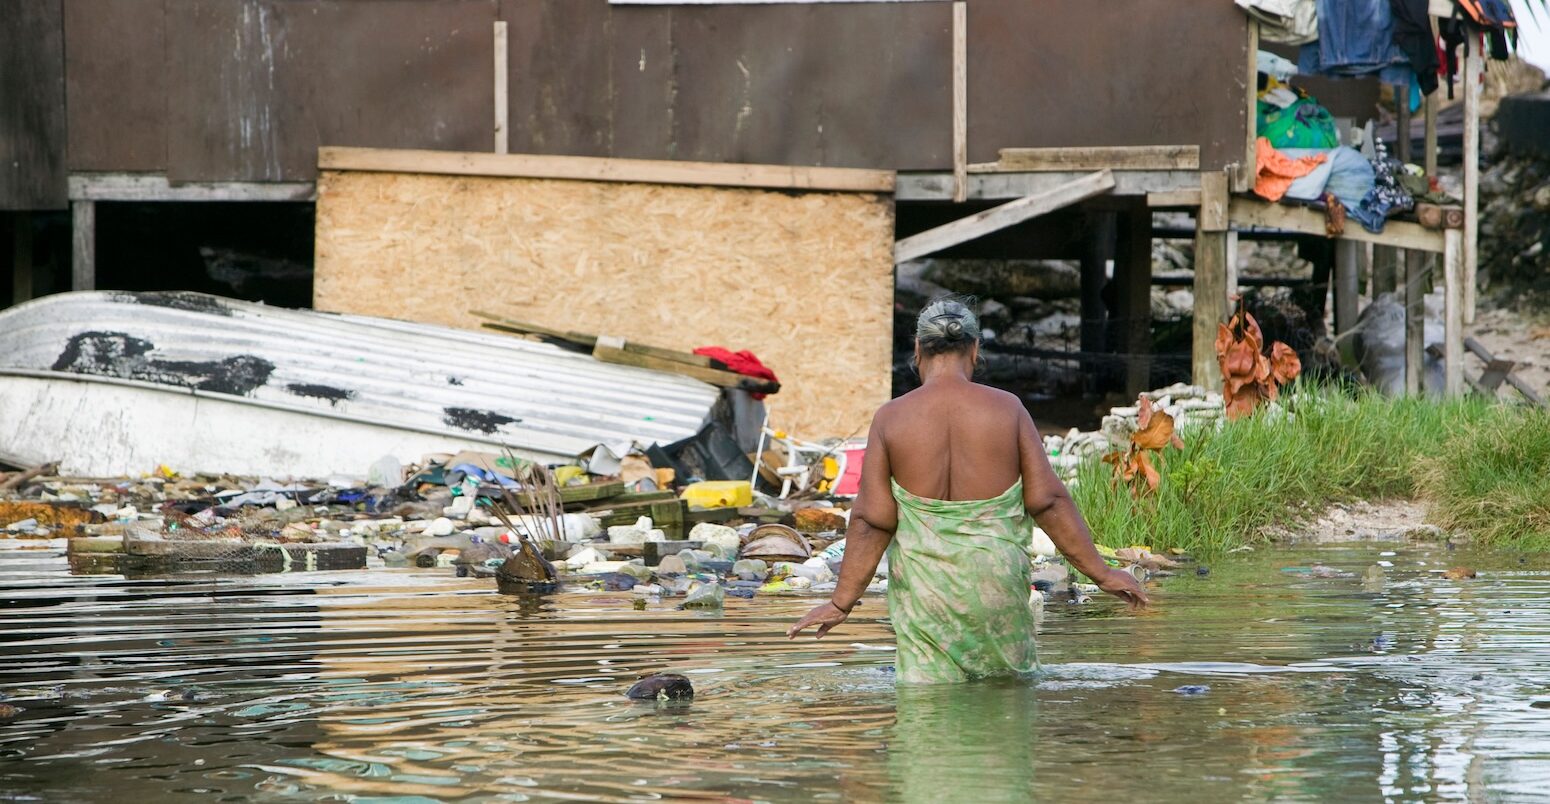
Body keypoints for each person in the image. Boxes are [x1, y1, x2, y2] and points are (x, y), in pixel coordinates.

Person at [787, 296, 1148, 683]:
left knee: (927, 710)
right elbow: (1049, 500)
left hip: (928, 602)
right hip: (997, 590)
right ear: (975, 349)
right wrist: (1102, 573)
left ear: (917, 349)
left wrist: (842, 602)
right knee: (1007, 697)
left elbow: (872, 519)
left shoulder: (891, 418)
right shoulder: (1008, 410)